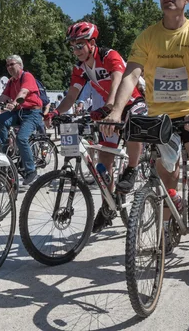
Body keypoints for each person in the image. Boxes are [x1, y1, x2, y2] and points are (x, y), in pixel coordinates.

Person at [100, 0, 189, 260]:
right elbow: (132, 73)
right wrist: (117, 110)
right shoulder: (147, 36)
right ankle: (167, 231)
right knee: (165, 174)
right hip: (161, 115)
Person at [46, 21, 147, 233]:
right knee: (104, 162)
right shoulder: (80, 68)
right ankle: (107, 207)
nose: (76, 51)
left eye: (79, 45)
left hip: (130, 103)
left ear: (92, 43)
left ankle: (132, 169)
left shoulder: (109, 55)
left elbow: (118, 81)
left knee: (134, 126)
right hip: (107, 111)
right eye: (72, 47)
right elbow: (72, 96)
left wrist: (111, 108)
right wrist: (56, 113)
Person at [0, 55, 44, 185]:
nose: (9, 67)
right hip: (18, 113)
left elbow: (23, 93)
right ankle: (6, 151)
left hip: (32, 112)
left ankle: (31, 171)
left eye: (12, 64)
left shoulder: (27, 76)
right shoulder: (11, 81)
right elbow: (3, 97)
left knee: (21, 138)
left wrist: (14, 103)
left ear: (20, 65)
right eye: (7, 65)